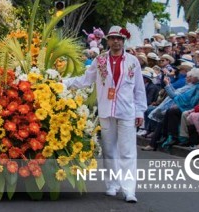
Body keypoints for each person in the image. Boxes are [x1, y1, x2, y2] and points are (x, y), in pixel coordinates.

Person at [63, 25, 146, 204]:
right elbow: (86, 79)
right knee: (109, 149)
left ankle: (129, 188)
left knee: (128, 150)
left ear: (123, 41)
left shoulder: (133, 61)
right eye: (113, 38)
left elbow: (139, 88)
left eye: (119, 39)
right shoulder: (100, 60)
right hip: (107, 109)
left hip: (127, 110)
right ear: (107, 40)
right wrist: (64, 83)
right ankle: (112, 184)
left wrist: (140, 110)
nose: (116, 41)